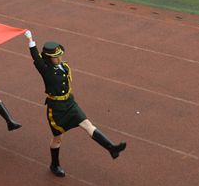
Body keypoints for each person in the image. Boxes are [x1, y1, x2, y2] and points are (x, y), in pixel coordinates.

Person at [24, 31, 126, 177]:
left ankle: (112, 148)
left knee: (88, 125)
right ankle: (54, 164)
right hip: (56, 108)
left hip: (70, 103)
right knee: (57, 139)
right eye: (55, 57)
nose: (59, 58)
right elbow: (36, 57)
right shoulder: (45, 70)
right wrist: (30, 39)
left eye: (60, 55)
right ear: (48, 58)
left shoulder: (63, 66)